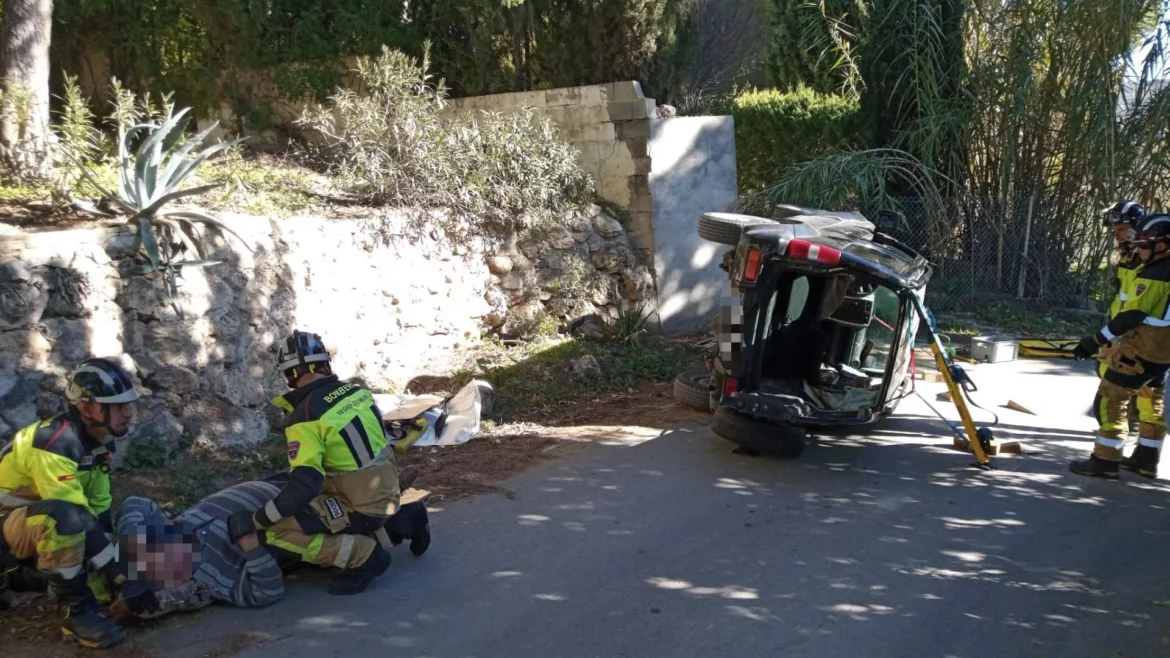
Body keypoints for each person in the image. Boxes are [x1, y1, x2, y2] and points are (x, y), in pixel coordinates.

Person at [227, 331, 431, 596]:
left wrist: (258, 520)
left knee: (275, 532)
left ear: (290, 376)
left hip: (362, 505)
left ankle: (365, 557)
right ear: (325, 364)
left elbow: (305, 485)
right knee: (326, 505)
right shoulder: (357, 394)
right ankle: (406, 517)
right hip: (386, 490)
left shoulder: (306, 416)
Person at [0, 357, 155, 649]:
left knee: (98, 569)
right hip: (12, 530)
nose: (128, 413)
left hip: (25, 529)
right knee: (63, 519)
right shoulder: (52, 443)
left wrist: (110, 582)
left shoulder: (100, 441)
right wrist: (123, 576)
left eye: (128, 405)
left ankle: (35, 581)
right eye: (117, 406)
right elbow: (74, 518)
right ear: (86, 408)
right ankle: (76, 614)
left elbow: (98, 509)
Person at [1072, 214, 1170, 479]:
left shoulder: (1157, 273)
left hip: (1140, 350)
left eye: (1145, 244)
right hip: (1163, 354)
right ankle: (1146, 459)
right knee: (1153, 402)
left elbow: (1131, 315)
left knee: (1109, 401)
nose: (1139, 249)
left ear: (1162, 246)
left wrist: (1095, 341)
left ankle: (1105, 461)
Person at [108, 478, 288, 621]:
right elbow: (269, 592)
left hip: (264, 484)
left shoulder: (170, 532)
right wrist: (252, 547)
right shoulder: (221, 580)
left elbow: (136, 503)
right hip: (287, 503)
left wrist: (132, 575)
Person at [1098, 201, 1148, 435]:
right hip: (1119, 327)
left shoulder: (1148, 259)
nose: (1116, 235)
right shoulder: (1128, 256)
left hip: (1137, 334)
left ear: (1135, 228)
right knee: (1104, 369)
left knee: (1139, 389)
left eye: (1120, 229)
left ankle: (1128, 431)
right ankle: (1127, 426)